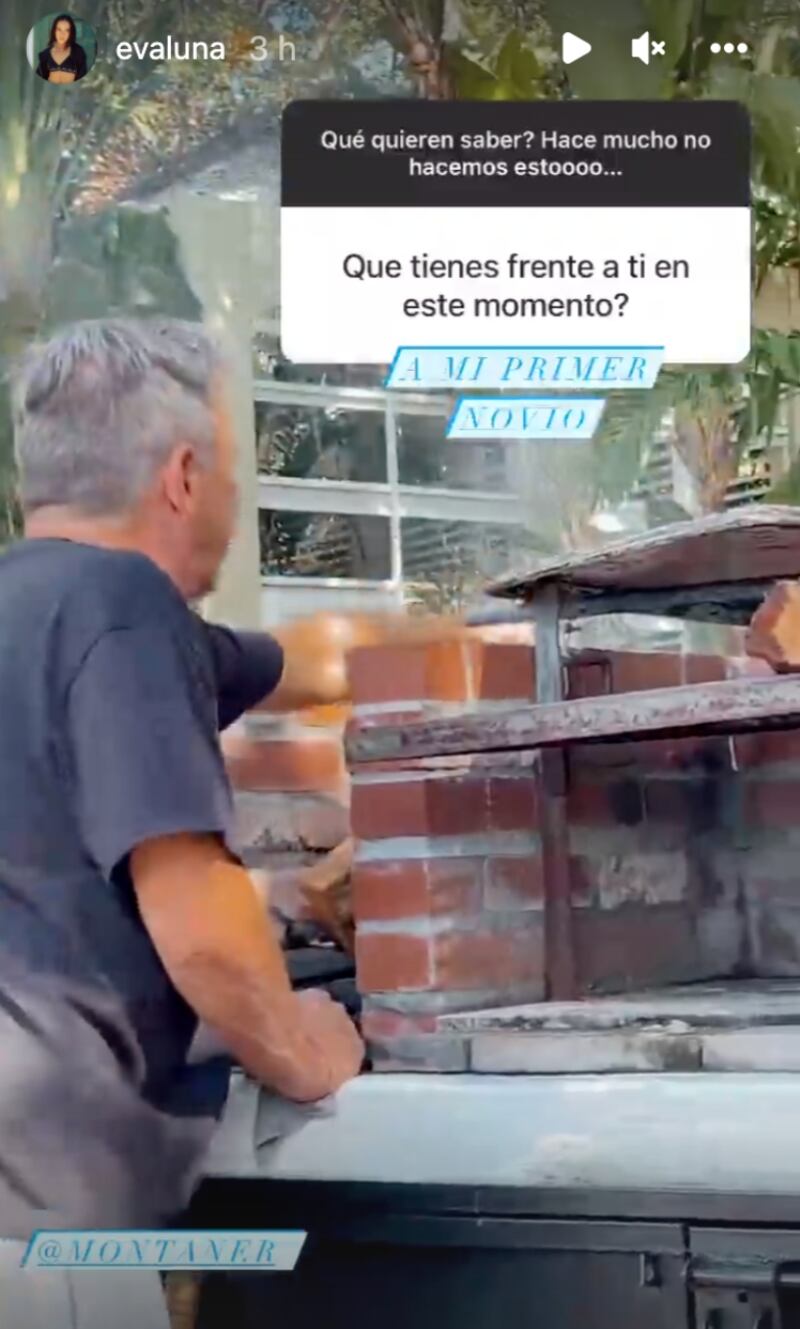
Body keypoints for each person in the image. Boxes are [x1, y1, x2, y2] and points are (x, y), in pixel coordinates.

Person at [0, 318, 469, 1327]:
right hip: (43, 1226)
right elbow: (200, 927)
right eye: (231, 469)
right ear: (181, 477)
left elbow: (304, 659)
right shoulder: (125, 610)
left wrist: (478, 634)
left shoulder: (49, 611)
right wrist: (302, 1046)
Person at [36, 13, 88, 84]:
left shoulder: (78, 53)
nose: (62, 34)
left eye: (67, 30)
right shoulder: (45, 55)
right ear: (54, 31)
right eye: (59, 29)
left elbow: (83, 78)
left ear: (71, 33)